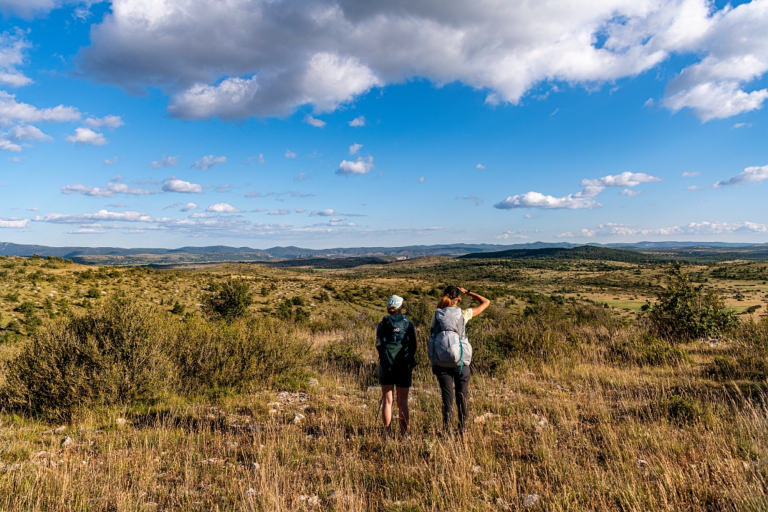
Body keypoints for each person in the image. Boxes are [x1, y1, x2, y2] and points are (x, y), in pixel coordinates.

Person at [428, 286, 490, 433]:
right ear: (458, 299)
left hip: (441, 362)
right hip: (461, 362)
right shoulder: (463, 313)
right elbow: (486, 302)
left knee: (447, 399)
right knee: (462, 396)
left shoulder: (436, 314)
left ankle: (447, 430)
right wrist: (469, 292)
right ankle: (463, 429)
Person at [375, 294, 417, 436]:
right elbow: (413, 345)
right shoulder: (408, 323)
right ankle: (404, 433)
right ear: (400, 307)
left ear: (389, 307)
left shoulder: (383, 324)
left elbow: (378, 344)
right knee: (403, 402)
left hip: (386, 365)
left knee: (388, 401)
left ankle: (387, 432)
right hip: (403, 366)